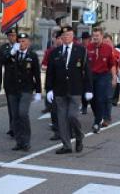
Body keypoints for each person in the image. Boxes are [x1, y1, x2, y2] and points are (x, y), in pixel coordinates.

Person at [45, 25, 93, 154]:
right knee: (61, 120)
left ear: (73, 36)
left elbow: (87, 71)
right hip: (59, 90)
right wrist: (48, 89)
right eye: (64, 35)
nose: (66, 37)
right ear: (61, 37)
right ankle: (66, 145)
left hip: (75, 89)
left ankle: (79, 136)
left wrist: (89, 89)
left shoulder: (81, 50)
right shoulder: (55, 52)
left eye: (68, 35)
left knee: (72, 116)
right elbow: (50, 72)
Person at [2, 32, 42, 151]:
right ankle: (19, 142)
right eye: (19, 41)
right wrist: (11, 52)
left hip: (26, 89)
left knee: (23, 113)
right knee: (15, 116)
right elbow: (2, 60)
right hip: (13, 89)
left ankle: (26, 140)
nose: (21, 43)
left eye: (24, 41)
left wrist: (39, 91)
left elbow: (37, 74)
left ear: (28, 42)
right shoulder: (12, 54)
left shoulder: (32, 55)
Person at [87, 27, 116, 134]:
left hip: (103, 76)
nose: (95, 38)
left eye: (97, 36)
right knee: (92, 99)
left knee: (99, 98)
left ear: (102, 36)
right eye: (93, 36)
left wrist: (114, 77)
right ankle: (98, 116)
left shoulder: (108, 48)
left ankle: (97, 122)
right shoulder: (88, 47)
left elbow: (112, 64)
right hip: (91, 76)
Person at [0, 27, 18, 137]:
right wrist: (11, 52)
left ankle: (17, 126)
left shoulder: (21, 46)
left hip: (20, 81)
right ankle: (12, 127)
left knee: (18, 106)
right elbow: (2, 60)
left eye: (14, 36)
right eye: (10, 36)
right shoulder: (4, 48)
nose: (12, 38)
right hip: (9, 80)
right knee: (11, 105)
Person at [104, 34, 120, 110]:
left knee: (109, 99)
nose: (106, 44)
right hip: (101, 78)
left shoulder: (117, 53)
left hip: (113, 79)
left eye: (108, 42)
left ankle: (106, 115)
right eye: (104, 42)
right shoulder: (99, 51)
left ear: (112, 42)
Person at [80, 31, 92, 115]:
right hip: (82, 73)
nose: (84, 40)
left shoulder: (91, 48)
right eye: (83, 39)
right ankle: (84, 106)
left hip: (91, 72)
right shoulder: (80, 48)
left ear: (89, 39)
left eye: (86, 39)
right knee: (83, 90)